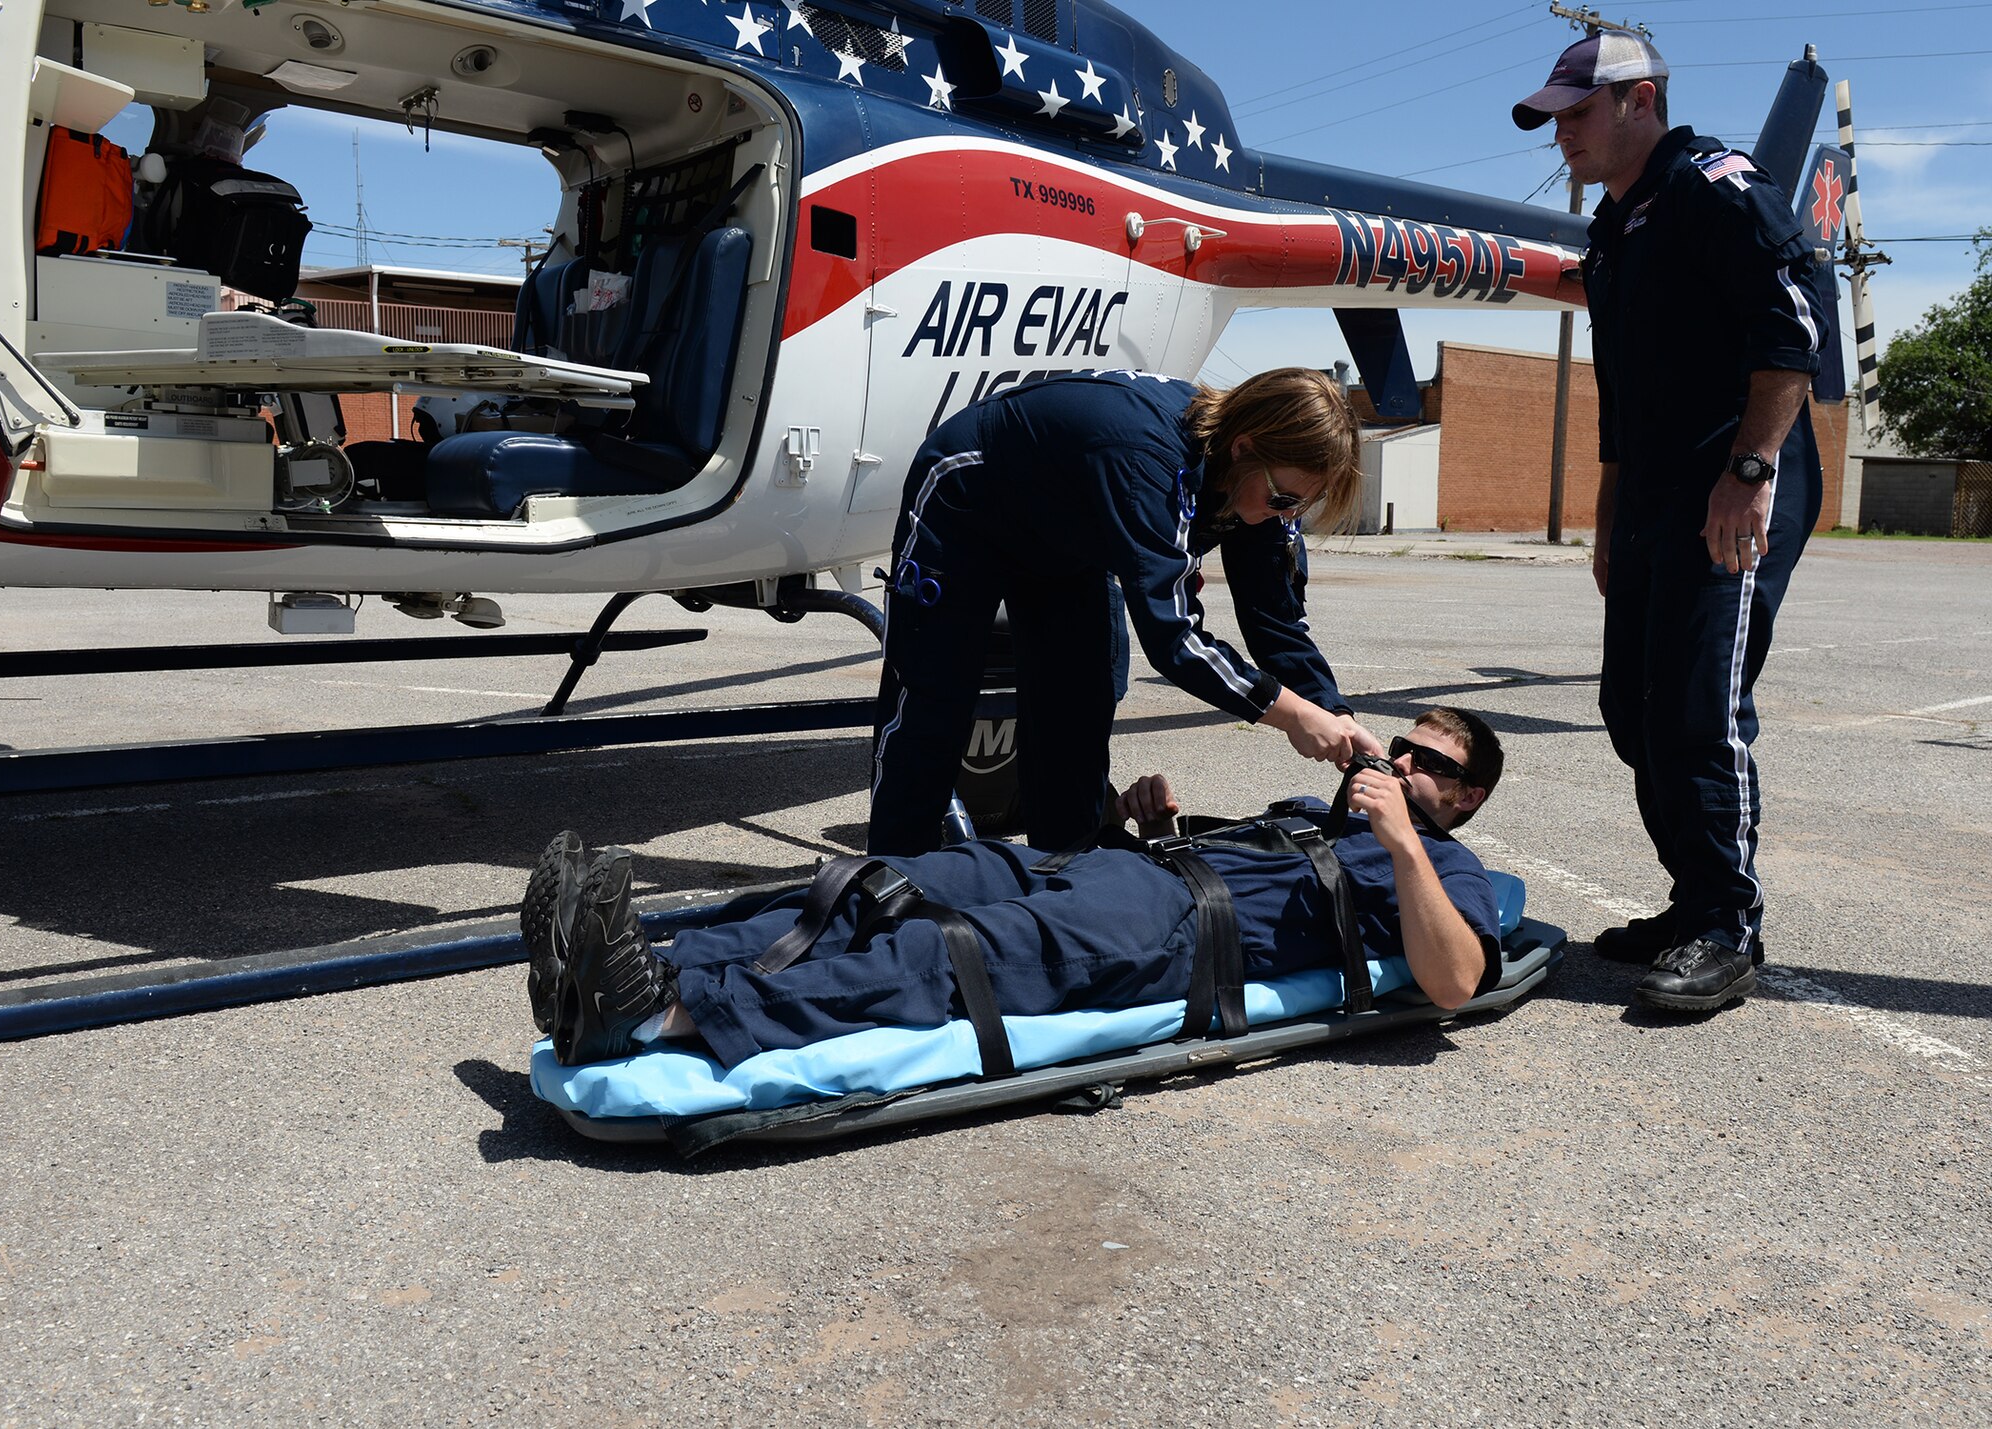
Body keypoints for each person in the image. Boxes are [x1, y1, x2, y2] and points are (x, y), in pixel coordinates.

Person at [523, 708, 1505, 1071]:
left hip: (1162, 927)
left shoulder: (1442, 862)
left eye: (1426, 760)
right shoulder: (1312, 808)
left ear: (1458, 798)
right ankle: (642, 960)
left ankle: (666, 1019)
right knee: (888, 883)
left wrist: (1403, 844)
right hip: (1120, 867)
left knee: (938, 952)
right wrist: (1141, 823)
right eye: (1399, 739)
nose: (1398, 755)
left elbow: (1455, 980)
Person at [1512, 35, 1831, 1013]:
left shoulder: (1713, 185)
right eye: (1553, 117)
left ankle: (1725, 926)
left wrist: (1748, 469)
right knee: (1630, 708)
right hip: (1652, 494)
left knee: (1696, 706)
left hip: (1731, 482)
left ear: (1639, 100)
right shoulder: (1613, 230)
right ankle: (1690, 897)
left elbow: (1792, 332)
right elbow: (1618, 397)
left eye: (1575, 112)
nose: (1559, 132)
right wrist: (1606, 518)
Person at [867, 366, 1386, 859]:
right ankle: (886, 885)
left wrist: (1331, 709)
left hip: (1068, 535)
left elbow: (1276, 619)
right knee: (932, 701)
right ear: (1244, 447)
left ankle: (1063, 877)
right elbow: (1175, 638)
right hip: (970, 497)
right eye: (1282, 501)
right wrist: (1292, 714)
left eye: (1301, 507)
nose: (1288, 517)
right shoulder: (1150, 460)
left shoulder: (1264, 484)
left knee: (1077, 710)